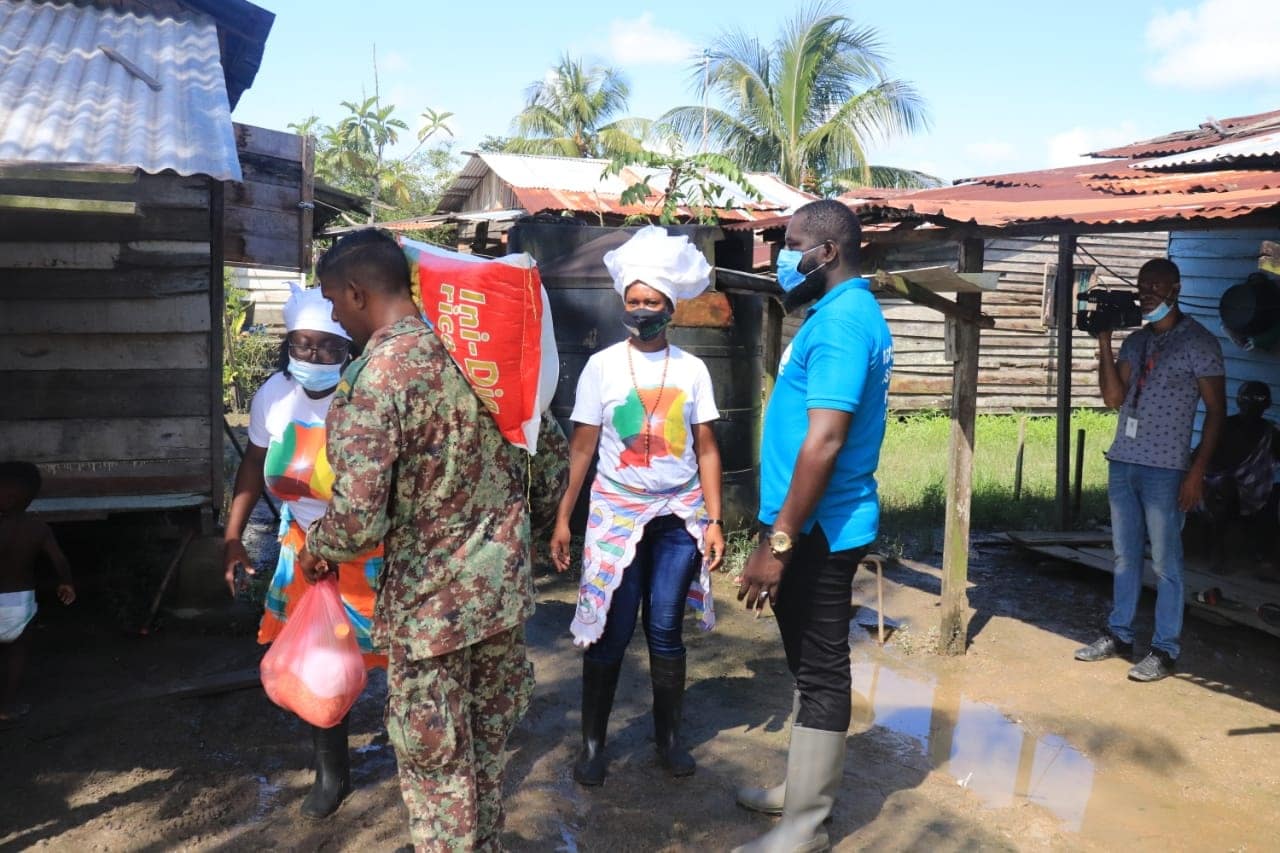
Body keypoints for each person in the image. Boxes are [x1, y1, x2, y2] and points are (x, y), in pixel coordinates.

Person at [298, 228, 568, 851]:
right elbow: (550, 466)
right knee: (486, 750)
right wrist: (508, 542)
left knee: (438, 767)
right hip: (499, 596)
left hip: (430, 612)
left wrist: (318, 546)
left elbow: (360, 519)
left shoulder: (376, 379)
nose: (334, 314)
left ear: (359, 292)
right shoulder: (486, 354)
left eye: (334, 300)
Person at [734, 199, 893, 853]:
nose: (781, 253)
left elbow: (825, 441)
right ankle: (798, 793)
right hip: (808, 522)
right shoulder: (834, 313)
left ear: (826, 251)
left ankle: (806, 827)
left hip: (820, 529)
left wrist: (778, 541)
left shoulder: (844, 323)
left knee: (822, 670)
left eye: (791, 242)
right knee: (807, 665)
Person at [550, 225, 726, 787]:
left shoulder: (692, 369)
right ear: (622, 303)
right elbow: (581, 446)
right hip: (615, 511)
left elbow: (706, 448)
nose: (642, 310)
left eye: (652, 302)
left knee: (667, 627)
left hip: (679, 516)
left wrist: (716, 520)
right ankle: (594, 747)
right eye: (634, 302)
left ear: (670, 308)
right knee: (611, 628)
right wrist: (562, 516)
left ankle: (669, 741)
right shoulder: (602, 366)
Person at [221, 283, 385, 820]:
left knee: (394, 658)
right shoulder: (274, 395)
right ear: (288, 344)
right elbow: (254, 464)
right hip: (305, 550)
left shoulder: (364, 398)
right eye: (303, 345)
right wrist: (232, 537)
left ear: (348, 352)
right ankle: (332, 772)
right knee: (321, 661)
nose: (314, 357)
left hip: (370, 549)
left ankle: (420, 758)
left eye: (329, 348)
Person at [1075, 258, 1226, 682]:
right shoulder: (1136, 342)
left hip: (1167, 469)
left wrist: (1196, 472)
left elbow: (1217, 412)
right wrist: (1105, 342)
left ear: (1175, 288)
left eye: (1155, 286)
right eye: (1143, 286)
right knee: (1123, 556)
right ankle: (1119, 634)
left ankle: (1165, 648)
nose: (1147, 293)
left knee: (1165, 562)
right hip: (1124, 461)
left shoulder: (1200, 342)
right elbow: (1112, 399)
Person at [0, 461, 75, 722]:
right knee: (17, 654)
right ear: (30, 498)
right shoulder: (38, 528)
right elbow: (60, 560)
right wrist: (66, 582)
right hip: (20, 603)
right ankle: (6, 708)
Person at [1197, 381, 1280, 570]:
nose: (1252, 404)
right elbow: (1200, 456)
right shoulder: (1225, 425)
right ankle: (1217, 553)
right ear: (1239, 401)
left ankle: (1264, 558)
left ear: (1266, 405)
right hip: (1216, 483)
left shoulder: (1270, 432)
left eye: (1259, 399)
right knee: (1227, 486)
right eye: (1247, 399)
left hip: (1252, 488)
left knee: (1274, 493)